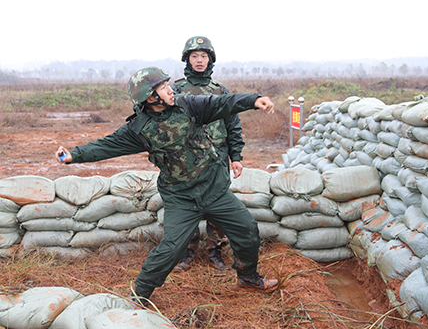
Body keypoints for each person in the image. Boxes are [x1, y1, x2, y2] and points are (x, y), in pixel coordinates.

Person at [55, 67, 278, 307]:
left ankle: (247, 277)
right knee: (172, 248)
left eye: (168, 85)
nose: (171, 90)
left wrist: (253, 100)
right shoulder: (139, 130)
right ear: (151, 97)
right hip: (181, 197)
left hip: (214, 190)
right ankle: (140, 295)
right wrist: (74, 155)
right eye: (163, 87)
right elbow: (107, 145)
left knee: (247, 230)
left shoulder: (189, 106)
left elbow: (222, 102)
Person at [171, 36, 240, 273]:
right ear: (187, 60)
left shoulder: (220, 90)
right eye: (194, 56)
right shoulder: (175, 90)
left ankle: (215, 251)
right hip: (185, 160)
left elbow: (233, 124)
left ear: (210, 59)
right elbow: (163, 124)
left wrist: (236, 156)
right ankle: (186, 252)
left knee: (217, 203)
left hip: (216, 157)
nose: (199, 60)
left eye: (203, 56)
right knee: (187, 204)